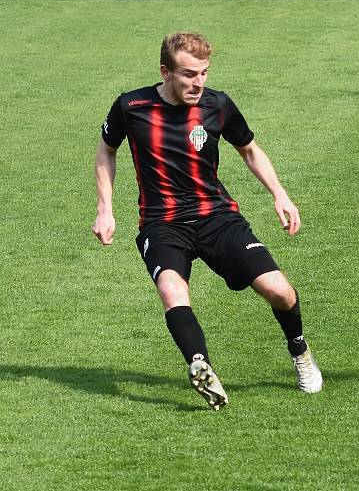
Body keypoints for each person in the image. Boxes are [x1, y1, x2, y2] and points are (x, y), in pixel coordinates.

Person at [92, 32, 322, 410]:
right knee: (171, 290)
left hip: (216, 217)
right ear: (165, 72)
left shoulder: (218, 105)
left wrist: (280, 194)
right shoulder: (131, 106)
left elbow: (249, 150)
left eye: (204, 73)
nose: (198, 83)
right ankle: (201, 365)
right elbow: (106, 149)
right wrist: (105, 207)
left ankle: (300, 353)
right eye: (188, 74)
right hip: (162, 223)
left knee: (280, 292)